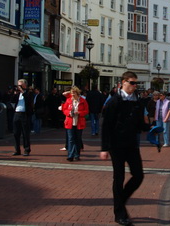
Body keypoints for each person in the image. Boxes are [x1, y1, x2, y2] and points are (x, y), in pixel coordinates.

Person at [100, 71, 149, 226]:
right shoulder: (114, 101)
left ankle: (120, 200)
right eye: (132, 83)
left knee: (138, 175)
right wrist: (104, 148)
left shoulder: (137, 102)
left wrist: (151, 128)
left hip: (132, 144)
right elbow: (106, 125)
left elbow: (140, 124)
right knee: (119, 178)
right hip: (116, 145)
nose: (134, 86)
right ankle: (119, 213)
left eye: (136, 83)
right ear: (123, 83)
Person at [63, 86, 89, 162]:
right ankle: (70, 155)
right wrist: (69, 113)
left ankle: (77, 155)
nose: (72, 94)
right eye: (71, 93)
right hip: (70, 122)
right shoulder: (68, 100)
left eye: (74, 93)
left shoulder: (83, 101)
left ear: (77, 93)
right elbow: (65, 110)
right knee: (71, 139)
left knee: (78, 139)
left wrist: (79, 113)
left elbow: (86, 111)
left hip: (79, 122)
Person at [11, 79, 34, 156]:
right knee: (16, 133)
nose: (19, 87)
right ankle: (17, 150)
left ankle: (27, 149)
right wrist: (15, 93)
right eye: (18, 85)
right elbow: (12, 100)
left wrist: (23, 92)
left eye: (20, 85)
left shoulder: (29, 93)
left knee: (25, 133)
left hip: (25, 114)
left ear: (25, 85)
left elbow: (29, 100)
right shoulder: (17, 93)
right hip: (17, 113)